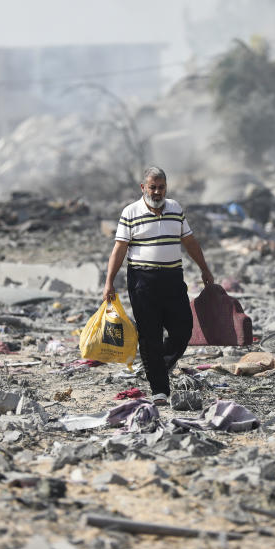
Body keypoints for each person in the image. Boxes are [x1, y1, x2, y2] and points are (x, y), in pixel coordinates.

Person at [102, 166, 213, 406]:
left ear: (166, 187)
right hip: (143, 280)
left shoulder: (175, 208)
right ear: (143, 188)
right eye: (152, 187)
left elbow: (190, 241)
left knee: (183, 329)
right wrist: (109, 281)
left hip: (173, 277)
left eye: (161, 187)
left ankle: (156, 365)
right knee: (150, 334)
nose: (157, 191)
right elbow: (119, 249)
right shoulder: (130, 213)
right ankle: (159, 389)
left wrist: (204, 268)